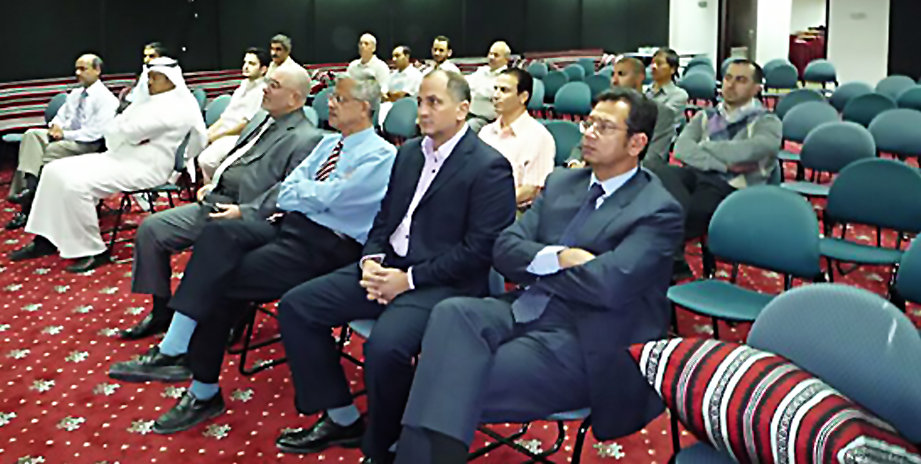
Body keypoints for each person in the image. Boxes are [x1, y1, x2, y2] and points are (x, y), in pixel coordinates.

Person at [393, 89, 684, 464]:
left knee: (448, 376)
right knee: (453, 314)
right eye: (589, 122)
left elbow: (607, 286)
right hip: (527, 305)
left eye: (604, 127)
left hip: (587, 335)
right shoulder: (563, 183)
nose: (588, 133)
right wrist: (559, 258)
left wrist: (535, 264)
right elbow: (503, 248)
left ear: (637, 143)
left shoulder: (657, 210)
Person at [107, 74, 397, 435]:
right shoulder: (328, 145)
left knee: (219, 283)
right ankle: (182, 355)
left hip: (328, 246)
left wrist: (306, 193)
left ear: (364, 108)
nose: (330, 103)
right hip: (290, 226)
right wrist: (308, 193)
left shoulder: (382, 156)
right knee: (219, 233)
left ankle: (194, 376)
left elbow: (332, 198)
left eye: (339, 98)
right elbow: (288, 190)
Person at [274, 69, 516, 464]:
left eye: (434, 102)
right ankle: (342, 417)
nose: (423, 111)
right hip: (388, 268)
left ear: (463, 109)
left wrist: (409, 280)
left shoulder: (488, 166)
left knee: (385, 348)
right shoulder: (408, 153)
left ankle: (385, 446)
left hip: (443, 284)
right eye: (420, 102)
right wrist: (370, 259)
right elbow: (385, 218)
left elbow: (479, 251)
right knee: (298, 307)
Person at [118, 61, 320, 340]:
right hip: (217, 200)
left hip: (248, 215)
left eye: (274, 85)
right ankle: (161, 310)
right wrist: (213, 184)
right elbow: (236, 158)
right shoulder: (260, 118)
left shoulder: (307, 138)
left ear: (295, 98)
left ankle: (228, 315)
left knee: (218, 245)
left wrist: (243, 211)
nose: (265, 89)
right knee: (152, 229)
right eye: (267, 83)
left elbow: (287, 191)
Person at [10, 57, 207, 273]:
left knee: (77, 185)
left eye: (155, 78)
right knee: (52, 170)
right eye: (148, 77)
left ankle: (93, 250)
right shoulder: (150, 101)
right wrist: (123, 129)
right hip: (119, 157)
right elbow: (116, 129)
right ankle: (45, 239)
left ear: (170, 80)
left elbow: (128, 131)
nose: (149, 83)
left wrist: (123, 129)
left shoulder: (179, 107)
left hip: (147, 168)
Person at [661, 59, 782, 267]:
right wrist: (722, 165)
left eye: (740, 80)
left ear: (756, 88)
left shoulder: (767, 121)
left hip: (735, 185)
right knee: (660, 174)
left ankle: (671, 260)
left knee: (685, 208)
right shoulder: (705, 115)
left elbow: (745, 152)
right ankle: (673, 255)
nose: (731, 85)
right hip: (701, 174)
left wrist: (705, 146)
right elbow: (681, 149)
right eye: (728, 78)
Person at [5, 54, 119, 230]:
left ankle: (28, 205)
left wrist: (64, 134)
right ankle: (28, 192)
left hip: (86, 145)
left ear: (97, 70)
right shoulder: (75, 94)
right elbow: (60, 117)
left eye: (83, 69)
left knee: (50, 150)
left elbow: (94, 134)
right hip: (66, 137)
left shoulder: (107, 100)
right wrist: (55, 126)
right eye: (77, 69)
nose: (78, 73)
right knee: (31, 135)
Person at [567, 56, 675, 171]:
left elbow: (652, 160)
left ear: (639, 78)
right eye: (612, 75)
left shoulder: (661, 113)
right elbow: (582, 145)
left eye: (621, 74)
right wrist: (574, 163)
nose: (614, 81)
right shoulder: (605, 108)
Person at [478, 67, 555, 209]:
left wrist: (491, 203)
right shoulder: (485, 132)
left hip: (513, 210)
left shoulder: (540, 137)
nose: (496, 95)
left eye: (504, 90)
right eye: (495, 89)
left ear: (523, 97)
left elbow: (531, 190)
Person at [196, 48, 270, 183]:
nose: (246, 66)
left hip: (240, 137)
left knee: (206, 160)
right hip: (226, 131)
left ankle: (218, 188)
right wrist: (209, 133)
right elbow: (225, 117)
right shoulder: (243, 86)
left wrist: (217, 136)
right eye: (245, 62)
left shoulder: (262, 91)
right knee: (194, 142)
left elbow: (245, 126)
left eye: (252, 64)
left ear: (263, 69)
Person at [465, 41, 511, 132]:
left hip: (486, 119)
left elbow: (490, 94)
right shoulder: (482, 71)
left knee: (469, 128)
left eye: (496, 55)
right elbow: (465, 83)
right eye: (490, 54)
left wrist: (475, 91)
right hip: (468, 113)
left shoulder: (507, 77)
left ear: (506, 59)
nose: (491, 57)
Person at [379, 45, 422, 124]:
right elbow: (383, 92)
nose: (394, 59)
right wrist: (389, 96)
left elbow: (403, 96)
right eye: (393, 56)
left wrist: (390, 95)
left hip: (406, 112)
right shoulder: (392, 75)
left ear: (406, 56)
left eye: (397, 56)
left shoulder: (415, 74)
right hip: (388, 108)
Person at [647, 47, 688, 127]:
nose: (653, 67)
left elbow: (662, 119)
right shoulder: (645, 92)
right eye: (652, 63)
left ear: (672, 69)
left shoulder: (679, 95)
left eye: (659, 64)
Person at [120, 42, 168, 110]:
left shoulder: (170, 75)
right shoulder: (144, 73)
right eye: (145, 56)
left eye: (151, 56)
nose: (146, 60)